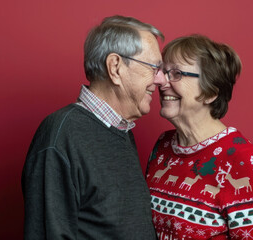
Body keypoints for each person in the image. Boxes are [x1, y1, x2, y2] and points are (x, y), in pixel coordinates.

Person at [22, 15, 166, 239]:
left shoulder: (121, 130)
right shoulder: (61, 135)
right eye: (153, 68)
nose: (161, 80)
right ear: (115, 67)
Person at [146, 35, 253, 240]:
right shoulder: (163, 145)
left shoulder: (243, 158)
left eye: (176, 73)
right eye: (163, 72)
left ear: (210, 92)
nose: (161, 82)